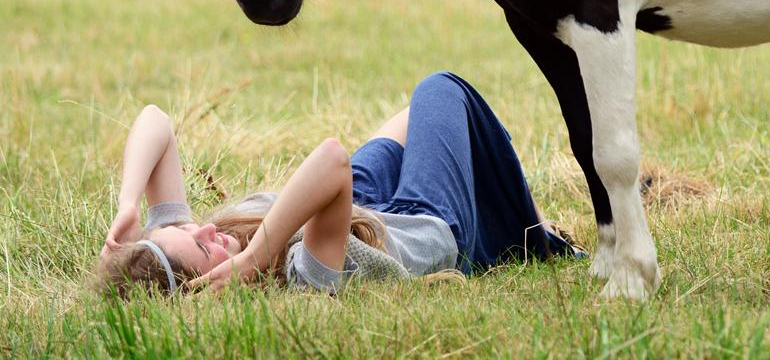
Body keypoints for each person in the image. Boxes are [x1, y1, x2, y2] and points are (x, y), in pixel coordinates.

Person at [98, 72, 581, 296]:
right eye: (204, 250)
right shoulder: (301, 275)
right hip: (419, 225)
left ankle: (526, 220)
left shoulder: (198, 240)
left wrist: (129, 205)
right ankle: (536, 233)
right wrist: (254, 255)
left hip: (359, 209)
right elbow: (331, 161)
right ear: (210, 286)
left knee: (412, 120)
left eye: (188, 229)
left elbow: (155, 121)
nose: (205, 230)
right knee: (439, 92)